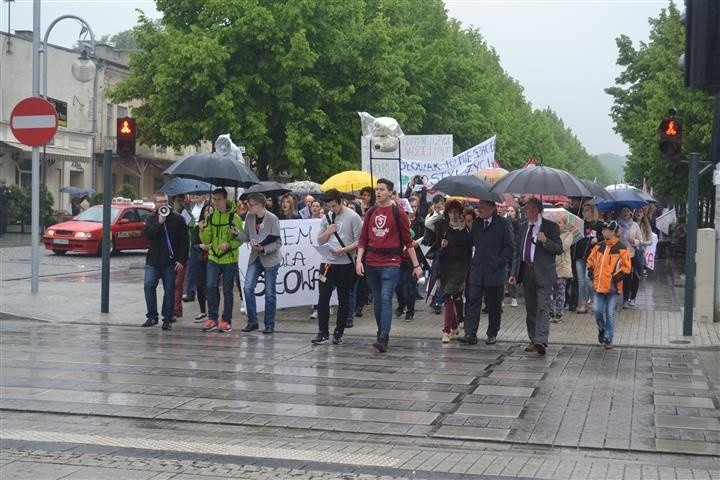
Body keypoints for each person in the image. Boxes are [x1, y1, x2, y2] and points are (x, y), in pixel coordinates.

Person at [356, 178, 422, 353]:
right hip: (371, 262)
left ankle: (384, 336)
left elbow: (408, 241)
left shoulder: (398, 212)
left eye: (382, 189)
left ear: (390, 193)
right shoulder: (371, 212)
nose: (378, 192)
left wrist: (416, 265)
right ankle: (380, 332)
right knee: (378, 300)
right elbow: (363, 238)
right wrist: (359, 260)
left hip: (391, 262)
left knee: (386, 298)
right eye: (377, 189)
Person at [509, 197, 563, 356]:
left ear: (537, 210)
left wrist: (545, 241)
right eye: (525, 209)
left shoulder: (550, 227)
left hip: (544, 273)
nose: (526, 211)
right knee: (531, 307)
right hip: (527, 271)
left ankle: (541, 339)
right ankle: (533, 338)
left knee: (543, 306)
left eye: (529, 209)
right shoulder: (523, 226)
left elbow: (559, 249)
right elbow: (517, 252)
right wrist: (513, 273)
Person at [458, 200, 514, 346]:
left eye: (482, 207)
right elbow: (468, 243)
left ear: (492, 208)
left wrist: (498, 263)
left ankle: (492, 333)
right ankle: (470, 333)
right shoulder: (476, 223)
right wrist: (464, 228)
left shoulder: (502, 223)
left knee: (494, 305)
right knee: (472, 302)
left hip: (494, 271)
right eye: (479, 207)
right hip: (477, 270)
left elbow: (509, 247)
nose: (479, 210)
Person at [311, 189, 362, 345]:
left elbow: (359, 241)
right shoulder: (327, 217)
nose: (332, 209)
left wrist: (344, 250)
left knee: (343, 298)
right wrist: (328, 231)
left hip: (345, 263)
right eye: (329, 206)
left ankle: (339, 332)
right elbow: (320, 240)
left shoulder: (353, 217)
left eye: (334, 206)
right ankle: (322, 332)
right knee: (323, 297)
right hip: (327, 263)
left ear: (341, 201)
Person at [236, 193, 283, 334]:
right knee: (248, 287)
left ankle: (269, 324)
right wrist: (236, 233)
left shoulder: (272, 219)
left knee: (270, 293)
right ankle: (252, 321)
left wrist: (264, 248)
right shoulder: (250, 217)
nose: (248, 207)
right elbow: (246, 236)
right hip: (255, 257)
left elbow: (278, 241)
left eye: (251, 204)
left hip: (270, 258)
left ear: (259, 205)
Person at [141, 192, 189, 331]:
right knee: (149, 286)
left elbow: (185, 241)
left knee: (169, 291)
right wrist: (159, 223)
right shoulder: (151, 218)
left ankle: (167, 319)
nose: (162, 204)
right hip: (153, 261)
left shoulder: (178, 219)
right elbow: (148, 234)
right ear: (155, 204)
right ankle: (152, 316)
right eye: (159, 202)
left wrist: (181, 260)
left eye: (164, 201)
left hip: (170, 262)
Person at [198, 188, 244, 333]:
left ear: (225, 199)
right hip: (213, 257)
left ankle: (226, 320)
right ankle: (212, 318)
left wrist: (229, 244)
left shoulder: (234, 218)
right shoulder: (211, 217)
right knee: (210, 287)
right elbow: (207, 240)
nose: (216, 202)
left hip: (229, 259)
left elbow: (241, 239)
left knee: (227, 290)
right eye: (214, 199)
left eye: (218, 199)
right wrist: (202, 230)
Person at [431, 200, 473, 343]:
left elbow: (469, 246)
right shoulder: (442, 227)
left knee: (448, 296)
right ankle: (454, 326)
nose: (454, 215)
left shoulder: (464, 229)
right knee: (449, 297)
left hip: (461, 268)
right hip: (446, 267)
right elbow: (437, 247)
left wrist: (462, 230)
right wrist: (442, 246)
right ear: (447, 213)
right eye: (451, 212)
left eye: (456, 212)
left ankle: (446, 330)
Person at [586, 221, 631, 349]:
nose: (603, 231)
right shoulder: (599, 246)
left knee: (610, 312)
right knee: (597, 311)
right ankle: (602, 329)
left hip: (613, 287)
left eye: (605, 230)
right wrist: (590, 269)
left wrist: (617, 276)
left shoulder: (621, 248)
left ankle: (608, 338)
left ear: (612, 232)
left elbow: (627, 267)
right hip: (599, 286)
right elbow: (590, 260)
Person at [575, 203, 603, 313]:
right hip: (580, 255)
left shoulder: (598, 224)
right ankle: (583, 303)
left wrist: (598, 238)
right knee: (581, 281)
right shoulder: (580, 224)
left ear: (592, 211)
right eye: (583, 210)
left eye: (587, 210)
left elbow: (606, 236)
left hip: (592, 256)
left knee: (588, 279)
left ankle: (593, 300)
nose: (584, 213)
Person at [616, 206, 643, 308]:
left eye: (627, 211)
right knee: (620, 277)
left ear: (631, 213)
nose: (625, 213)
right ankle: (618, 297)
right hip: (619, 254)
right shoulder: (616, 224)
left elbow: (640, 240)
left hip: (631, 254)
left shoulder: (635, 225)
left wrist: (634, 241)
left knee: (630, 277)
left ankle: (627, 299)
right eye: (623, 211)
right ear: (620, 213)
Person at [172, 194, 193, 319]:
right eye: (177, 201)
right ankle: (173, 307)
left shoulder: (186, 212)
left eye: (181, 201)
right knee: (171, 283)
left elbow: (192, 225)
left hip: (183, 253)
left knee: (178, 282)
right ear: (173, 201)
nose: (179, 203)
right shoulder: (168, 213)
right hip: (171, 254)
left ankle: (177, 308)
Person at [192, 203, 214, 323]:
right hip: (201, 258)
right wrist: (201, 245)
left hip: (213, 258)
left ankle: (212, 313)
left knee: (211, 286)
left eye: (211, 210)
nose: (208, 212)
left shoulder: (216, 225)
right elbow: (194, 244)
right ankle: (202, 311)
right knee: (200, 285)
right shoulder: (199, 226)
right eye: (206, 210)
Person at [551, 216, 574, 324]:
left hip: (563, 267)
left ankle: (559, 314)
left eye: (559, 222)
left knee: (560, 292)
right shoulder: (550, 234)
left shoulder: (568, 234)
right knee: (551, 292)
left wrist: (554, 242)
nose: (557, 224)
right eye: (555, 222)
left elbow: (563, 247)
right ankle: (551, 313)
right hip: (551, 267)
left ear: (565, 224)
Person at [505, 205, 520, 307]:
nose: (510, 212)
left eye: (512, 211)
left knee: (513, 274)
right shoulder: (505, 222)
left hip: (515, 250)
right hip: (506, 250)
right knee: (505, 273)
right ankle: (502, 298)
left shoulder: (518, 223)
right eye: (508, 211)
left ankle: (514, 297)